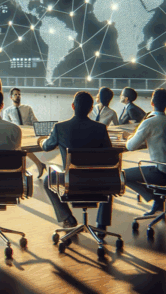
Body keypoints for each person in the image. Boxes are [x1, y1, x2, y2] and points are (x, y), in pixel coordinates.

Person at [40, 91, 112, 229]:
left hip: (70, 182)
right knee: (109, 176)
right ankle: (102, 224)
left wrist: (41, 141)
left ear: (73, 106)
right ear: (91, 109)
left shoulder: (60, 127)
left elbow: (47, 146)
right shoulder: (101, 128)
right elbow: (108, 155)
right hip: (97, 184)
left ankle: (67, 217)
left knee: (46, 180)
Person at [123, 88, 166, 216]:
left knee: (123, 175)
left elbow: (130, 146)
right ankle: (158, 201)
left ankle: (155, 199)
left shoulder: (149, 122)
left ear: (152, 103)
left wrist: (129, 136)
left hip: (160, 172)